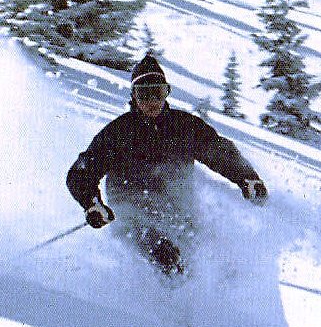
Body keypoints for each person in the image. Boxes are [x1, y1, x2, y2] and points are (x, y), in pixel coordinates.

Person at [67, 54, 268, 273]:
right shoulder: (118, 134)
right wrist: (92, 203)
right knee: (168, 260)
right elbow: (80, 173)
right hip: (135, 220)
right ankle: (156, 306)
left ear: (167, 93)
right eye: (144, 95)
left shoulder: (184, 127)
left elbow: (219, 152)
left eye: (158, 93)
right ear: (133, 97)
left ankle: (218, 304)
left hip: (179, 217)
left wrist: (246, 178)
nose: (152, 102)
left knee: (221, 266)